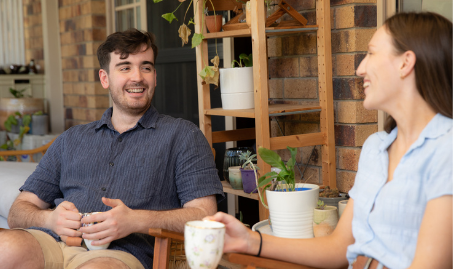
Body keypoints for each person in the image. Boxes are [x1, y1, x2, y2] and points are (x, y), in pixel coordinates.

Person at [205, 12, 452, 269]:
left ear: (405, 63)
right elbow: (339, 248)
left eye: (372, 53)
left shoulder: (446, 150)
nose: (360, 69)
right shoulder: (376, 148)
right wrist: (250, 241)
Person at [0, 29, 224, 269]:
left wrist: (136, 220)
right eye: (125, 67)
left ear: (155, 77)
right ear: (104, 78)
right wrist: (50, 218)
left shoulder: (183, 136)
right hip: (51, 242)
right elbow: (17, 212)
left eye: (146, 67)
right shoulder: (71, 139)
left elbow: (204, 214)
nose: (137, 77)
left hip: (119, 255)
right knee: (5, 248)